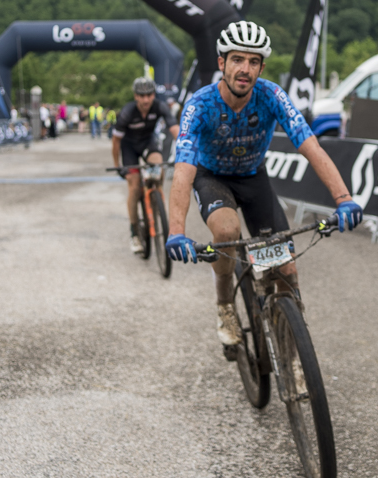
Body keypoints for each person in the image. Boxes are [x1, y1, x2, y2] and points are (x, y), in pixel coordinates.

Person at [164, 21, 363, 347]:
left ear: (261, 68)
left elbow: (311, 147)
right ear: (222, 63)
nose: (245, 69)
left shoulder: (271, 95)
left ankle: (291, 347)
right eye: (237, 59)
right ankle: (225, 305)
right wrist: (176, 231)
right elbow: (184, 171)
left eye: (253, 61)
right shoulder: (200, 105)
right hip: (212, 177)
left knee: (285, 270)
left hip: (253, 177)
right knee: (226, 232)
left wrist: (344, 199)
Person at [113, 77, 180, 254]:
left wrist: (185, 150)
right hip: (129, 147)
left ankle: (156, 199)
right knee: (135, 186)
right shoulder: (127, 112)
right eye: (141, 96)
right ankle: (134, 232)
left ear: (153, 95)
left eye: (149, 95)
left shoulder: (160, 106)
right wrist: (117, 165)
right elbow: (116, 141)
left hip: (147, 143)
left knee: (159, 164)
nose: (145, 99)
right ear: (135, 96)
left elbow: (175, 129)